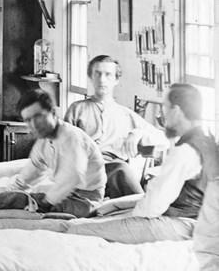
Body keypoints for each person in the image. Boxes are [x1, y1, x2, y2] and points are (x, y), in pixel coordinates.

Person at [65, 82, 219, 244]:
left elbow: (152, 207)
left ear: (177, 111)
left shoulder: (185, 151)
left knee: (78, 230)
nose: (162, 115)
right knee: (106, 208)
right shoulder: (207, 141)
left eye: (165, 108)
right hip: (192, 215)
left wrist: (124, 220)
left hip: (185, 223)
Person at [0, 87, 105, 217]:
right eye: (28, 120)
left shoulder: (71, 137)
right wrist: (5, 192)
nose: (33, 125)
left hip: (85, 202)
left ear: (53, 112)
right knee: (11, 195)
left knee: (19, 200)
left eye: (38, 117)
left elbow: (72, 177)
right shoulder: (44, 143)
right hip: (69, 196)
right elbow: (27, 178)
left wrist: (44, 201)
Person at [65, 55, 166, 197]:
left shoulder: (125, 114)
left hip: (112, 172)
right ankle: (141, 207)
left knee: (120, 169)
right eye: (97, 74)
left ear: (116, 80)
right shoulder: (77, 109)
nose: (102, 79)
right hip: (84, 172)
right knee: (121, 170)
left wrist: (137, 133)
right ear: (91, 77)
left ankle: (140, 207)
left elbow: (163, 139)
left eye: (108, 75)